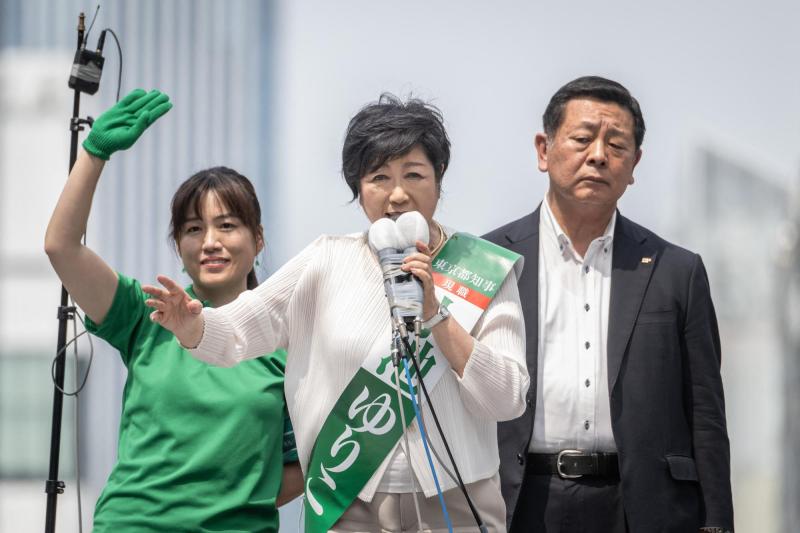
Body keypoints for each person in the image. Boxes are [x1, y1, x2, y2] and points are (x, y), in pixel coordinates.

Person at [144, 94, 530, 533]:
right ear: (358, 188)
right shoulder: (325, 261)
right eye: (379, 177)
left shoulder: (482, 269)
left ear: (439, 179)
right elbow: (235, 331)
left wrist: (436, 315)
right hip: (349, 500)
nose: (398, 194)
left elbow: (507, 398)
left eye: (414, 174)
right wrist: (191, 324)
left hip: (459, 499)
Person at [44, 89, 303, 532]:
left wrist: (226, 504)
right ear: (178, 247)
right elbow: (61, 248)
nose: (210, 242)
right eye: (193, 229)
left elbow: (299, 465)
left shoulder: (289, 343)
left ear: (258, 239)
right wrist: (94, 154)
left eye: (227, 225)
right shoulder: (146, 315)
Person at [484, 76, 734, 533]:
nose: (598, 155)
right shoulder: (490, 260)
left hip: (642, 506)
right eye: (582, 139)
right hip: (518, 502)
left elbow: (706, 415)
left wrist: (716, 523)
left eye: (616, 145)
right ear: (544, 149)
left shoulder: (676, 270)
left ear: (635, 163)